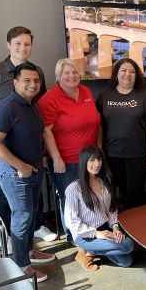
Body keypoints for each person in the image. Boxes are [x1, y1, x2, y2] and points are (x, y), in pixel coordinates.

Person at [0, 26, 55, 242]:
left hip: (31, 142)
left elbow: (40, 105)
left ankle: (37, 226)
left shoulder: (36, 72)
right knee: (6, 192)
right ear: (8, 44)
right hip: (4, 145)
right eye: (18, 43)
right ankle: (9, 235)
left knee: (35, 185)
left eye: (27, 44)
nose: (23, 48)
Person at [0, 63, 57, 282]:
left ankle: (28, 253)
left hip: (33, 171)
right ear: (15, 83)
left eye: (36, 81)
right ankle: (22, 266)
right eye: (27, 80)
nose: (33, 84)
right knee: (22, 217)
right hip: (15, 174)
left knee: (32, 214)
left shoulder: (32, 104)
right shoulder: (6, 107)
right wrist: (20, 165)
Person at [39, 58, 100, 241]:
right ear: (58, 76)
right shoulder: (50, 98)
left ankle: (90, 233)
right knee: (71, 202)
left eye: (74, 72)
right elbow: (46, 131)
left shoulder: (86, 91)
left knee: (88, 197)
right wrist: (56, 158)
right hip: (66, 161)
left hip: (89, 159)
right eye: (67, 73)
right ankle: (74, 238)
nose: (72, 76)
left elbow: (95, 122)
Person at [96, 58, 146, 209]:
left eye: (132, 71)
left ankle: (134, 228)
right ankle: (116, 225)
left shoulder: (144, 96)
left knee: (134, 193)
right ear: (116, 74)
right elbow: (98, 125)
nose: (127, 74)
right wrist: (99, 148)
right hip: (111, 154)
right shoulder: (105, 95)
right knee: (110, 192)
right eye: (123, 71)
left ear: (136, 75)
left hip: (137, 154)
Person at [64, 146, 135, 270]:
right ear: (83, 162)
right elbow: (71, 222)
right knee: (128, 245)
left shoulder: (104, 181)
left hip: (105, 229)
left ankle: (90, 252)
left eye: (99, 159)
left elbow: (111, 209)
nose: (97, 164)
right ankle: (86, 249)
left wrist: (115, 227)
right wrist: (97, 233)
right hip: (86, 236)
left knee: (126, 261)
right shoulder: (73, 189)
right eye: (92, 160)